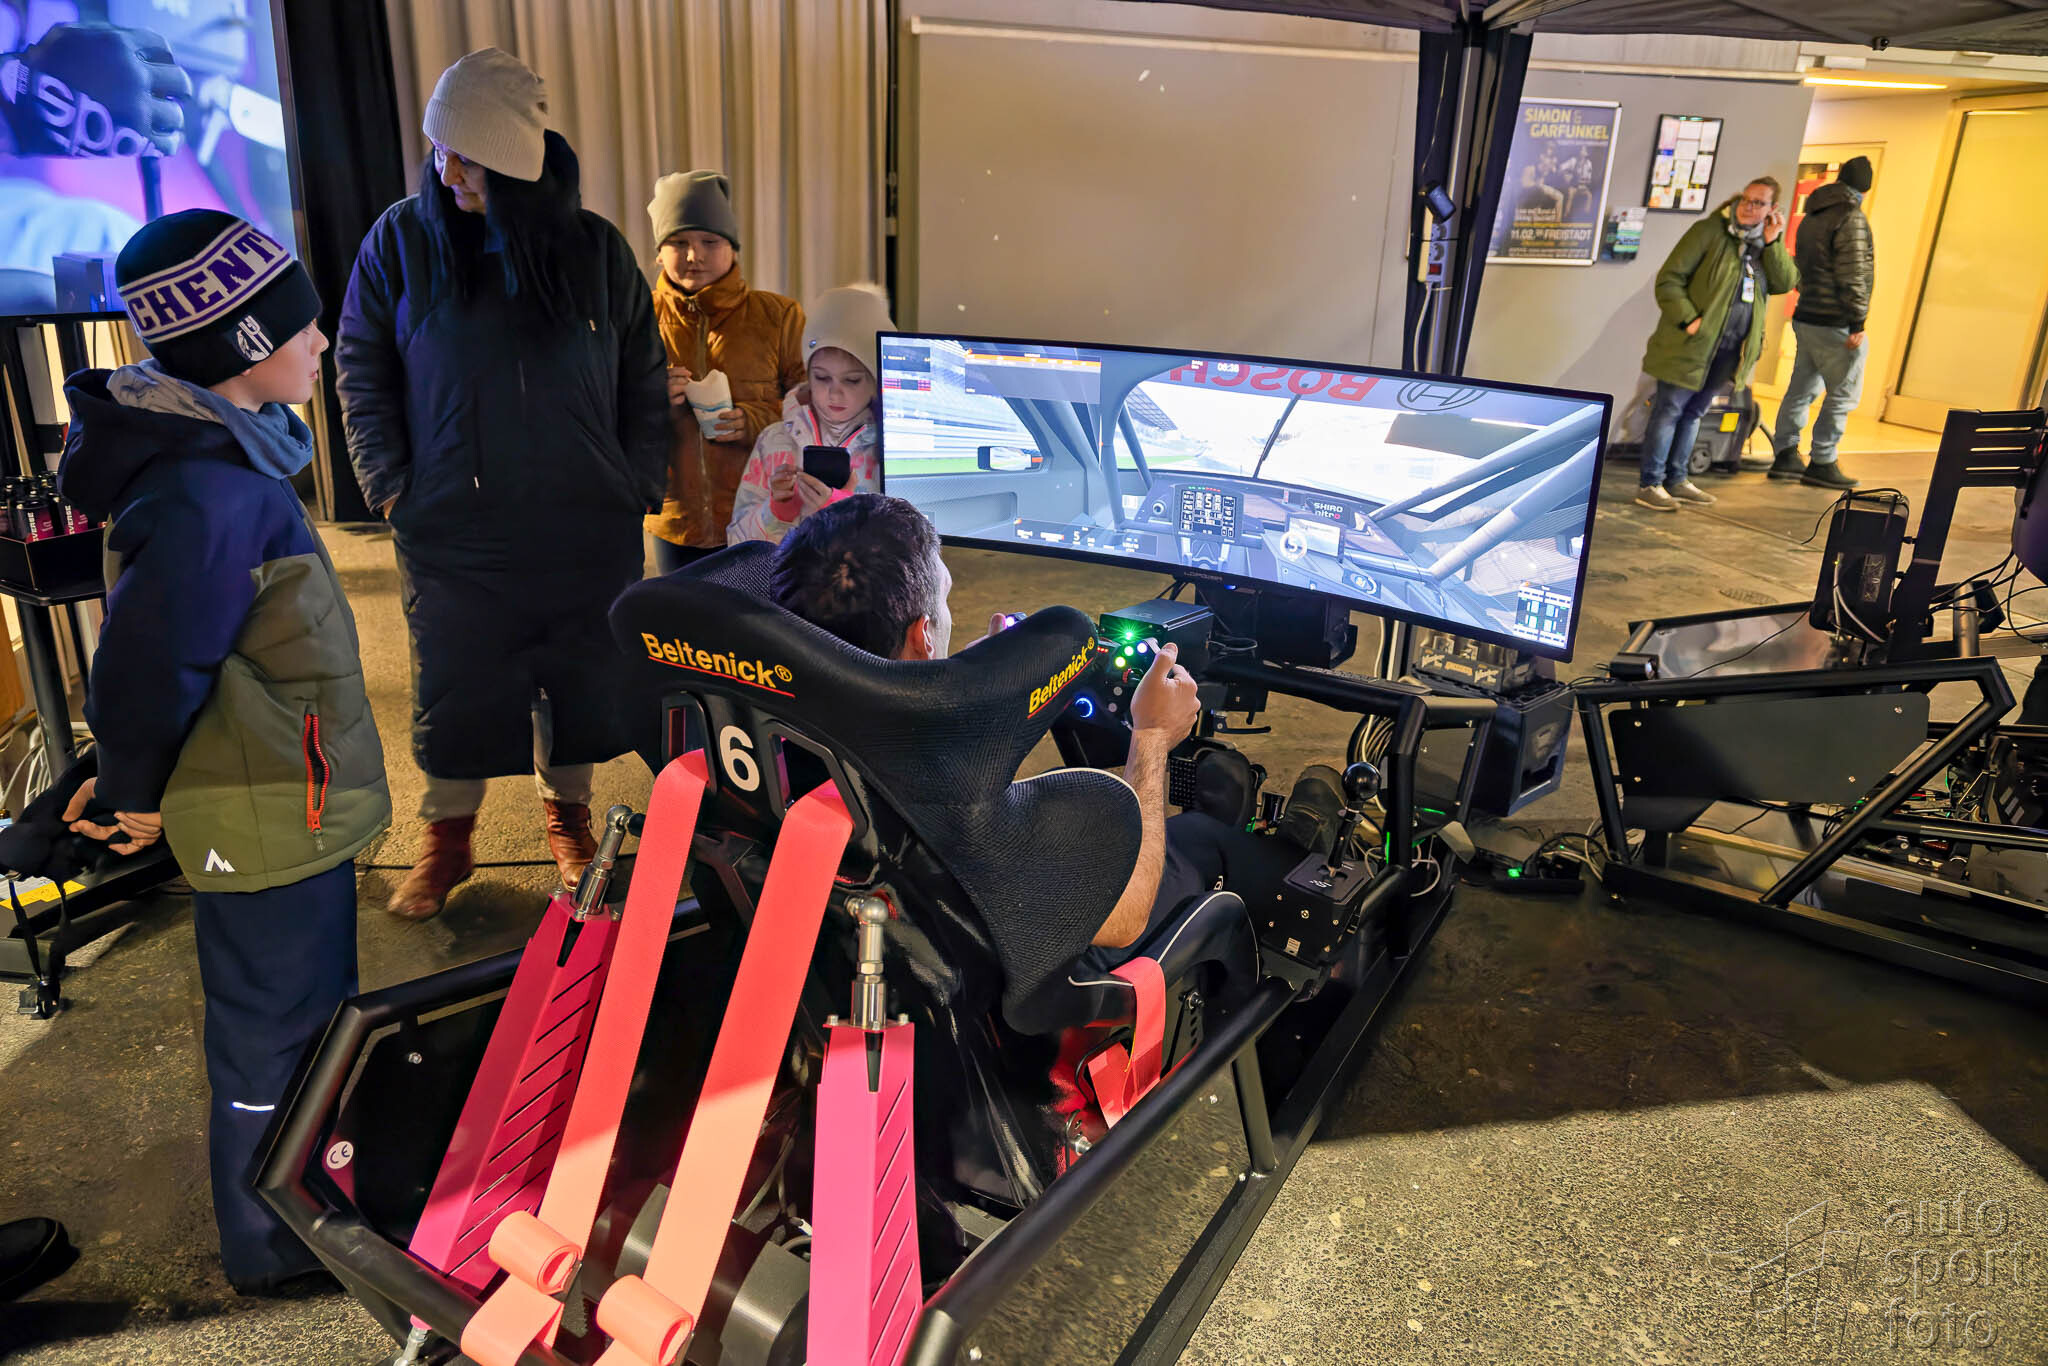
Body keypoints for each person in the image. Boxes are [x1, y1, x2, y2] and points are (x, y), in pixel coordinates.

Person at [57, 209, 390, 1292]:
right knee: (272, 1034)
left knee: (305, 1017)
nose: (322, 341)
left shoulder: (230, 457)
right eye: (302, 326)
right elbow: (149, 667)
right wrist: (132, 790)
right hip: (262, 809)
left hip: (282, 792)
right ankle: (276, 1243)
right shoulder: (210, 493)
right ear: (243, 345)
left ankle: (312, 1199)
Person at [336, 48, 669, 918]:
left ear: (518, 166)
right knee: (455, 686)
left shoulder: (594, 249)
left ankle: (568, 821)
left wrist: (638, 481)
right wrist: (390, 484)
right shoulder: (400, 242)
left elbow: (643, 372)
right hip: (453, 525)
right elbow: (360, 365)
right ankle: (447, 840)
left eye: (470, 159)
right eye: (440, 151)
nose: (448, 173)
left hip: (583, 522)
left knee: (579, 680)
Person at [768, 494, 1341, 966]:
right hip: (1040, 979)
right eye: (944, 600)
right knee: (1204, 842)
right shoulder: (952, 800)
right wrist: (1151, 738)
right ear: (921, 636)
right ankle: (1297, 859)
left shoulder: (775, 730)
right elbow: (1127, 916)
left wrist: (960, 687)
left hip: (873, 931)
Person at [644, 170, 806, 570]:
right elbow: (604, 410)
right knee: (681, 611)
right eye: (679, 243)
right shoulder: (640, 318)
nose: (694, 255)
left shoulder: (779, 316)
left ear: (733, 249)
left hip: (761, 511)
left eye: (709, 242)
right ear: (659, 253)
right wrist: (648, 395)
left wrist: (754, 420)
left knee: (757, 608)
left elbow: (811, 407)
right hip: (674, 519)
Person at [1635, 177, 1798, 512]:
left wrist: (1772, 243)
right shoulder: (1709, 231)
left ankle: (1677, 479)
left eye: (1758, 203)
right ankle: (1651, 483)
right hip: (1691, 344)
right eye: (1746, 199)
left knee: (1695, 412)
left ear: (1772, 210)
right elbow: (1669, 279)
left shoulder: (1763, 245)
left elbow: (1784, 282)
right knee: (1669, 411)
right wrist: (1689, 320)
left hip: (1731, 349)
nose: (1748, 207)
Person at [727, 283, 893, 545]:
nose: (834, 393)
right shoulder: (773, 442)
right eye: (822, 377)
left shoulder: (893, 448)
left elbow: (915, 551)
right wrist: (777, 511)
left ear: (874, 383)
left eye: (852, 380)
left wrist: (843, 514)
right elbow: (737, 545)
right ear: (807, 374)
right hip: (787, 573)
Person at [1770, 156, 1876, 490]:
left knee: (1801, 387)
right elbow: (1854, 273)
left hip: (1807, 315)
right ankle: (1823, 460)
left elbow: (1802, 267)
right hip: (1836, 321)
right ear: (1864, 186)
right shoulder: (1850, 217)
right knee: (1843, 393)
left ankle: (1785, 454)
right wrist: (1857, 322)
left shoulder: (1813, 214)